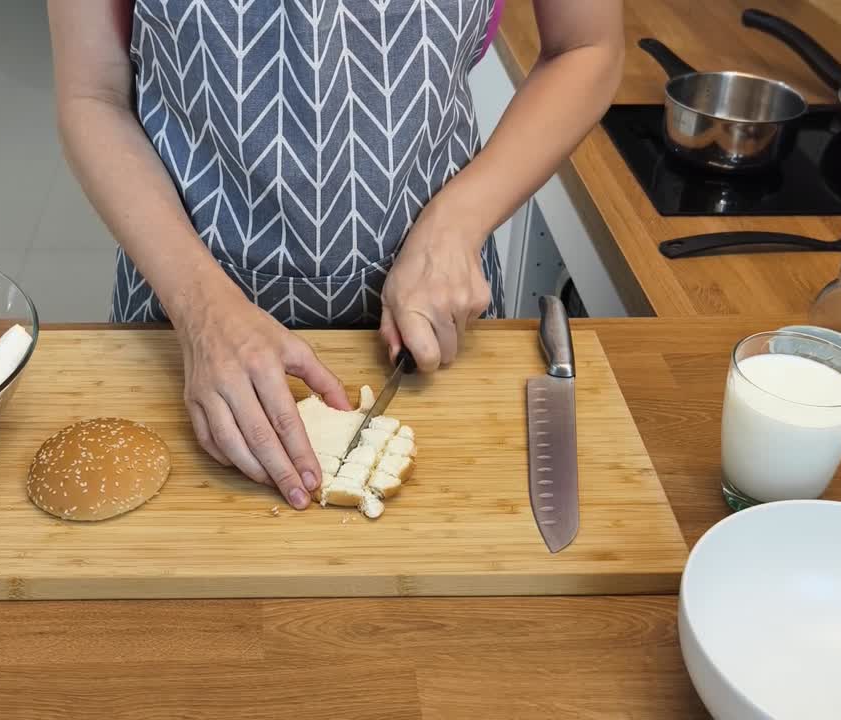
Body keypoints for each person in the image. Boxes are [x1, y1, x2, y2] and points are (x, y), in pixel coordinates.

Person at [48, 1, 624, 510]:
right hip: (180, 313)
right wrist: (199, 308)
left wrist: (456, 226)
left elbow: (586, 47)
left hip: (431, 321)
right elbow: (92, 94)